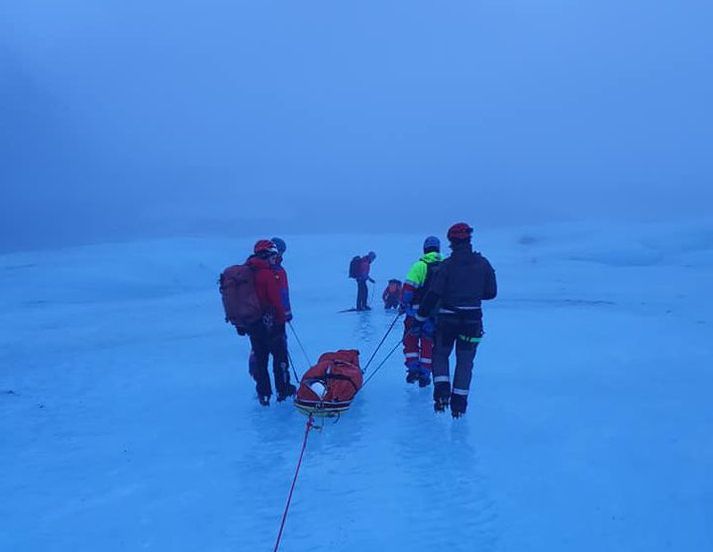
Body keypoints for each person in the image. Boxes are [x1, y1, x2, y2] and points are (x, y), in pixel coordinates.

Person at [414, 223, 497, 417]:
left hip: (447, 320)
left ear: (451, 242)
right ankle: (459, 405)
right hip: (473, 321)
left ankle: (442, 393)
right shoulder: (483, 263)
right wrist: (472, 295)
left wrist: (419, 318)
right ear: (469, 239)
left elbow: (433, 294)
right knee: (465, 361)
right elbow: (491, 293)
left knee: (441, 354)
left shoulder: (446, 266)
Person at [246, 239, 296, 406]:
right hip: (272, 323)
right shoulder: (268, 273)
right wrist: (284, 317)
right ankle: (282, 390)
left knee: (260, 359)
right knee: (280, 357)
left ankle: (263, 394)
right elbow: (277, 298)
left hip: (253, 323)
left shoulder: (248, 271)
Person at [400, 236, 442, 387]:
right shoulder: (446, 266)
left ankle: (413, 371)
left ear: (425, 249)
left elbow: (408, 290)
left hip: (414, 313)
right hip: (436, 315)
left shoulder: (419, 266)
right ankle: (425, 374)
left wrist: (403, 304)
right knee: (428, 344)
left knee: (410, 340)